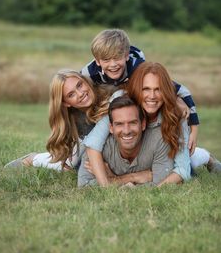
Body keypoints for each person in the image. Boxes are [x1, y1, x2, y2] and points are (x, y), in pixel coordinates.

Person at [82, 62, 221, 187]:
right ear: (137, 89)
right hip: (149, 158)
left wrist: (124, 179)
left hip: (165, 157)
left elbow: (182, 171)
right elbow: (94, 142)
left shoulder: (175, 114)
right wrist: (106, 184)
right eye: (146, 89)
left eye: (158, 89)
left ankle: (207, 158)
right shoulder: (123, 103)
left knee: (190, 159)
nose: (152, 96)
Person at [81, 29, 199, 155]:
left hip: (129, 93)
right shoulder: (89, 72)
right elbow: (74, 90)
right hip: (104, 97)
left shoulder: (138, 67)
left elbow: (181, 90)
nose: (113, 64)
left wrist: (194, 128)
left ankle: (184, 152)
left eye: (117, 58)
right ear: (97, 61)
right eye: (106, 60)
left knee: (120, 96)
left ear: (126, 56)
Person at [4, 69, 120, 170]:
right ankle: (33, 159)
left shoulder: (109, 95)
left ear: (85, 81)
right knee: (70, 165)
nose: (80, 94)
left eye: (79, 85)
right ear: (66, 103)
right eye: (71, 95)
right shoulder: (74, 117)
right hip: (89, 145)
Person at [78, 95, 175, 187]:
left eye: (133, 123)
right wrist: (133, 178)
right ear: (111, 128)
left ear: (143, 124)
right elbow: (85, 186)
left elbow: (163, 185)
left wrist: (112, 180)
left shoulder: (159, 139)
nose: (126, 131)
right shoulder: (98, 147)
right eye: (119, 124)